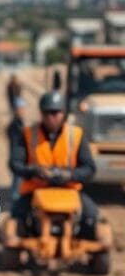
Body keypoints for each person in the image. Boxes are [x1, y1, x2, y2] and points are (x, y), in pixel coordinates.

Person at [9, 91, 98, 237]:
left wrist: (70, 175)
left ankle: (78, 243)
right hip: (35, 189)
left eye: (55, 113)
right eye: (47, 113)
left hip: (70, 189)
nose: (51, 117)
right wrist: (34, 171)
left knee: (91, 215)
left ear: (63, 113)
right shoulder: (28, 134)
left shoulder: (76, 135)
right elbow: (15, 163)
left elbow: (90, 168)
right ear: (41, 114)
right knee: (17, 215)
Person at [6, 97, 27, 203]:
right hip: (17, 158)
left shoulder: (20, 123)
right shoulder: (14, 126)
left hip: (20, 158)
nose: (22, 111)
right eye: (20, 109)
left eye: (23, 109)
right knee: (17, 181)